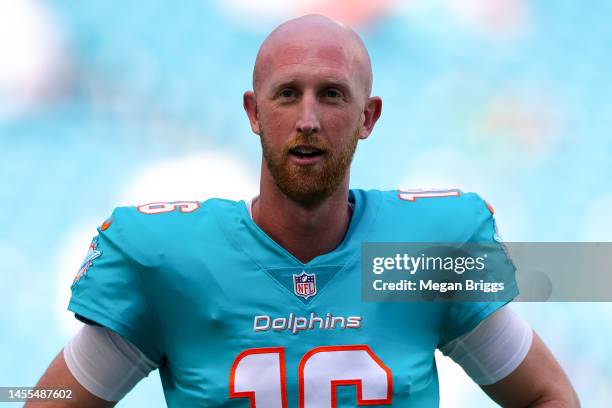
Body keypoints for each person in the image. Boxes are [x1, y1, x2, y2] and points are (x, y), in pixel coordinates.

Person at [28, 14, 579, 407]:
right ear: (253, 111)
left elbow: (545, 395)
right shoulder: (173, 261)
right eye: (287, 93)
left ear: (369, 116)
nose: (308, 118)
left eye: (333, 94)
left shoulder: (417, 258)